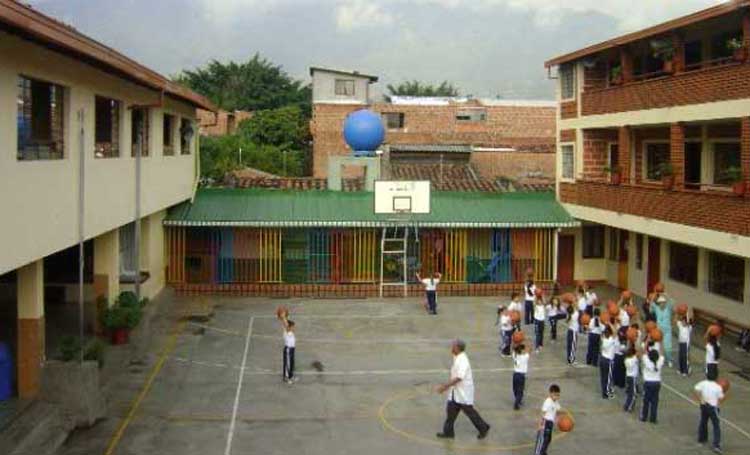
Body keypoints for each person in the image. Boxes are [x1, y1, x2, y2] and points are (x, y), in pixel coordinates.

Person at [436, 339, 491, 440]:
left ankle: (483, 428)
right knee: (450, 412)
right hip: (456, 392)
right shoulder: (457, 356)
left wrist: (444, 386)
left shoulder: (463, 360)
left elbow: (459, 378)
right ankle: (448, 432)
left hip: (463, 392)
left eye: (453, 346)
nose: (451, 348)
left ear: (457, 348)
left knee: (470, 412)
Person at [693, 368, 725, 454]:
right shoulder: (718, 387)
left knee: (703, 421)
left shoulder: (703, 383)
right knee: (716, 425)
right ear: (716, 377)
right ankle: (716, 445)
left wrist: (700, 399)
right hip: (713, 407)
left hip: (703, 405)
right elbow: (721, 397)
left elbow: (695, 389)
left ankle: (701, 439)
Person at [534, 384, 561, 455]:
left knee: (548, 440)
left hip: (550, 424)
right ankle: (538, 453)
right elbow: (543, 413)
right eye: (555, 395)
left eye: (558, 395)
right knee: (542, 440)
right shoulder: (548, 402)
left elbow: (558, 410)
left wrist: (558, 420)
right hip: (545, 423)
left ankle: (543, 452)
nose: (557, 397)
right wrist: (540, 425)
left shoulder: (556, 402)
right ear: (550, 393)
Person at [651, 294, 675, 367]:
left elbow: (671, 301)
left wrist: (665, 295)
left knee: (668, 347)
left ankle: (670, 360)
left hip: (667, 331)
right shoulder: (657, 308)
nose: (662, 304)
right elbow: (651, 303)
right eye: (661, 303)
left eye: (663, 302)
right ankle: (659, 360)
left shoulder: (668, 309)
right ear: (659, 303)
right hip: (659, 331)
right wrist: (655, 295)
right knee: (658, 347)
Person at [640, 349, 664, 424]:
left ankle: (644, 417)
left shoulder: (647, 361)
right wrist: (660, 341)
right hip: (657, 383)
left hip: (648, 383)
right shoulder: (660, 361)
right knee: (655, 402)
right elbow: (662, 353)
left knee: (646, 401)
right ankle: (653, 418)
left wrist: (647, 340)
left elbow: (642, 351)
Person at [600, 325, 617, 399]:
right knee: (608, 378)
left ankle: (604, 392)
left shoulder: (603, 339)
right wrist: (610, 323)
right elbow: (615, 332)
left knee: (603, 377)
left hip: (602, 359)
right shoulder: (611, 340)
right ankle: (607, 394)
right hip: (608, 361)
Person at [512, 343, 530, 410]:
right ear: (522, 350)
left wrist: (516, 343)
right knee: (520, 390)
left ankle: (517, 400)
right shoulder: (525, 357)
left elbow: (514, 349)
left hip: (515, 375)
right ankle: (517, 402)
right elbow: (529, 350)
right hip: (521, 376)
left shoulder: (515, 355)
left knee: (515, 389)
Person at [280, 318, 296, 384]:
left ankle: (291, 376)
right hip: (288, 349)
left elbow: (287, 324)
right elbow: (286, 324)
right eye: (292, 326)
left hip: (292, 349)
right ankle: (286, 378)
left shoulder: (291, 332)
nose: (294, 328)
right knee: (288, 364)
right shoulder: (286, 332)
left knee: (292, 363)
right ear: (289, 327)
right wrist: (283, 317)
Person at [623, 346, 639, 413]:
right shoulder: (634, 359)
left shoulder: (626, 360)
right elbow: (638, 352)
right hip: (632, 378)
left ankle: (626, 405)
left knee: (629, 393)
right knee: (633, 394)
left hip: (628, 377)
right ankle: (629, 407)